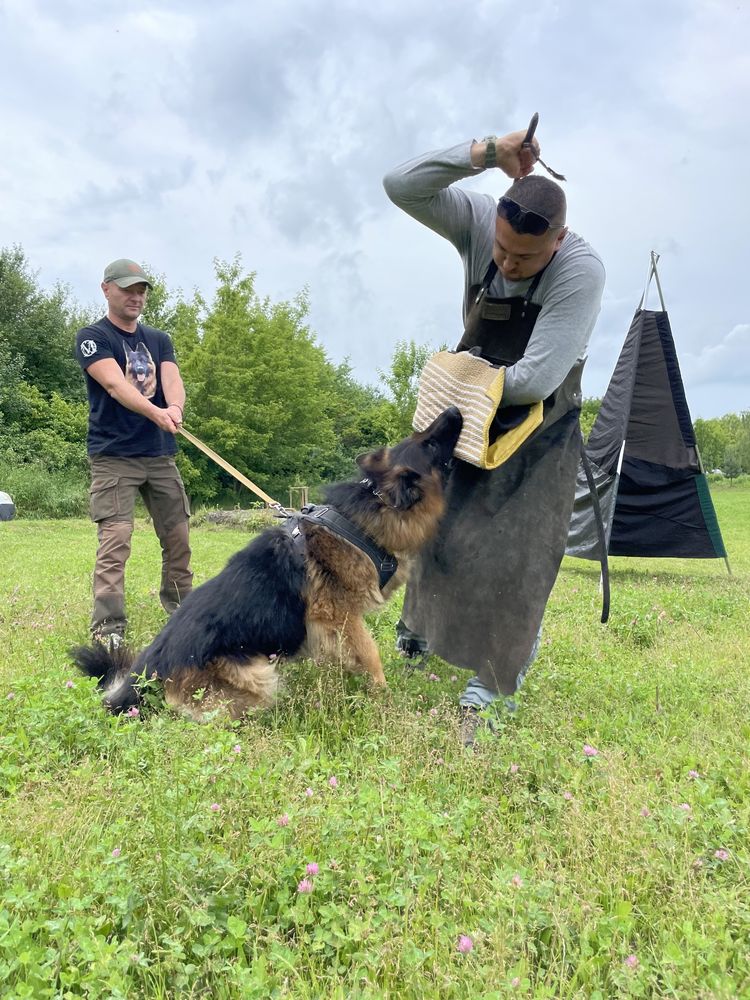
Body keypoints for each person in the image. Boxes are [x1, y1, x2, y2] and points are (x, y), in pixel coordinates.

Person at [383, 128, 605, 745]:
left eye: (524, 258)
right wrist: (483, 154)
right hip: (469, 408)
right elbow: (400, 185)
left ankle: (491, 691)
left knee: (520, 558)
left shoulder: (581, 272)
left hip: (539, 428)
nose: (506, 264)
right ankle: (419, 637)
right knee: (439, 530)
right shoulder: (483, 222)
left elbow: (534, 379)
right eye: (502, 251)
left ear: (557, 242)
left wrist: (451, 375)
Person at [75, 259, 193, 646]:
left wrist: (174, 408)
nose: (136, 296)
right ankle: (108, 629)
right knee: (116, 539)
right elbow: (114, 384)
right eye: (128, 289)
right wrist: (156, 412)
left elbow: (173, 380)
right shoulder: (93, 337)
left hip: (159, 455)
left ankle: (182, 614)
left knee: (178, 537)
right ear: (107, 289)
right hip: (114, 457)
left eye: (141, 290)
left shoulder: (158, 339)